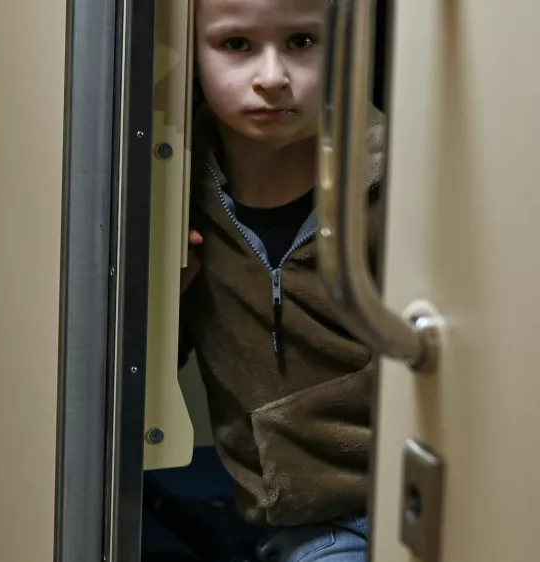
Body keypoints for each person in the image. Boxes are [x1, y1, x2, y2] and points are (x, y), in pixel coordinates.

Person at [178, 0, 388, 560]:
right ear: (189, 49)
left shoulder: (396, 179)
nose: (272, 79)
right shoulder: (172, 178)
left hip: (411, 499)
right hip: (302, 525)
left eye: (301, 42)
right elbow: (132, 381)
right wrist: (156, 304)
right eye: (237, 45)